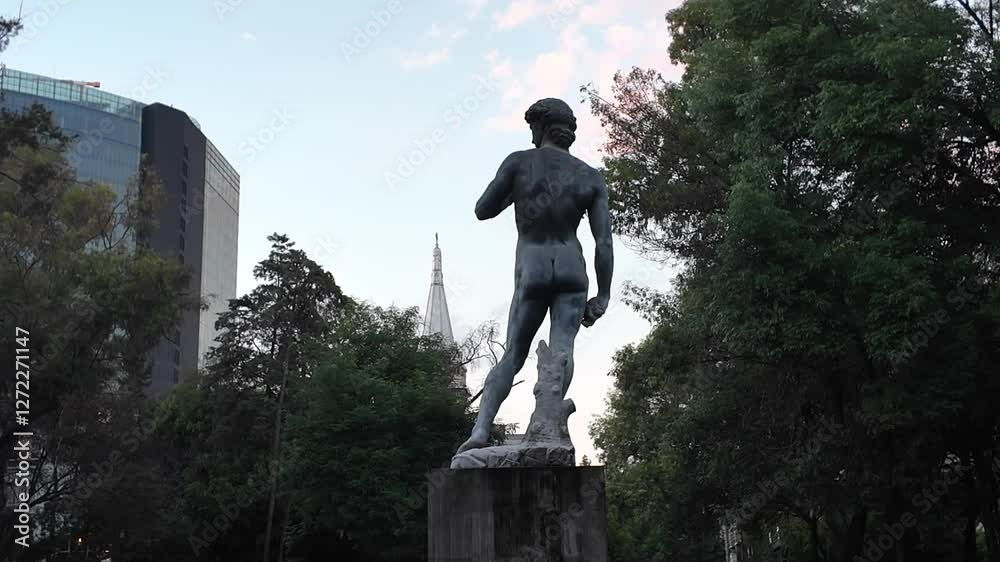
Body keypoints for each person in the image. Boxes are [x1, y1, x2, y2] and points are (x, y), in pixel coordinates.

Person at [457, 98, 614, 454]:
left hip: (534, 264)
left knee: (514, 352)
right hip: (574, 268)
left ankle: (481, 430)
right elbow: (603, 242)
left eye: (532, 128)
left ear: (541, 127)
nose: (530, 135)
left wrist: (518, 191)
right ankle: (548, 424)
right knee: (562, 349)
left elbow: (483, 209)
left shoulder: (519, 162)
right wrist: (603, 295)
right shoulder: (590, 176)